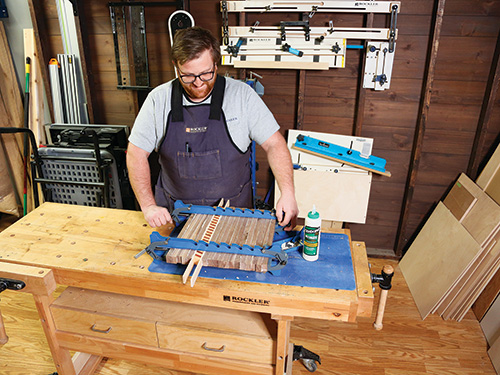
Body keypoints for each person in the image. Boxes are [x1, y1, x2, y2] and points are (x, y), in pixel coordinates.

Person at [126, 26, 298, 230]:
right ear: (176, 67)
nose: (198, 83)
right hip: (175, 218)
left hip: (235, 216)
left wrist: (287, 193)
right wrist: (148, 206)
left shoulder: (242, 96)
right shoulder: (158, 100)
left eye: (205, 74)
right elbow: (135, 154)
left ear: (216, 65)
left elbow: (275, 144)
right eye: (188, 76)